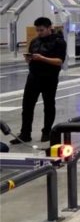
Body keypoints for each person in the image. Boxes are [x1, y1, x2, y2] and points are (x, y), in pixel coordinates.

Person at [12, 17, 67, 145]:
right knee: (27, 106)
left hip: (49, 78)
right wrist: (29, 59)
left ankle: (47, 132)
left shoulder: (59, 42)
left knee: (48, 105)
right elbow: (32, 56)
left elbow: (59, 62)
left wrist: (42, 58)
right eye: (37, 30)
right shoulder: (35, 41)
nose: (39, 33)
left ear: (49, 28)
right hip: (33, 77)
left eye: (41, 30)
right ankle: (25, 133)